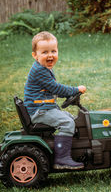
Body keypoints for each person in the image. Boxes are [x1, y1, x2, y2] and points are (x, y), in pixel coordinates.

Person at [24, 31, 86, 170]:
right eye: (45, 52)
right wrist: (75, 90)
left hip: (45, 108)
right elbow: (56, 88)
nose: (50, 55)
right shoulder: (39, 71)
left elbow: (51, 90)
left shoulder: (44, 68)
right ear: (35, 55)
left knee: (73, 119)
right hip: (39, 111)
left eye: (53, 51)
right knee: (67, 123)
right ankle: (62, 159)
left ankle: (71, 148)